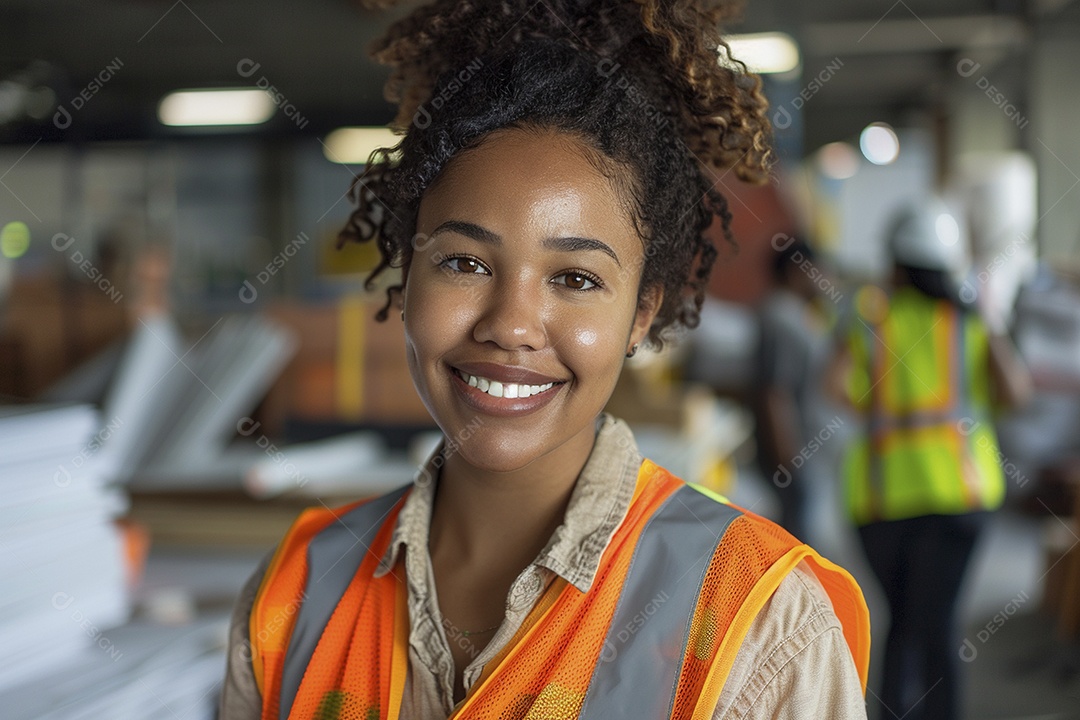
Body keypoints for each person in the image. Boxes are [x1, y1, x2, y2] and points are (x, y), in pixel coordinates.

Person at [219, 1, 870, 718]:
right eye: (465, 263)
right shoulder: (294, 592)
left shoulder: (761, 623)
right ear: (408, 275)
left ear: (642, 313)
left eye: (575, 279)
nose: (511, 326)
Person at [826, 200, 1032, 720]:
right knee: (936, 626)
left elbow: (834, 389)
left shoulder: (871, 319)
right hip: (960, 498)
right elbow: (1018, 393)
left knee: (903, 623)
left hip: (881, 500)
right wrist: (991, 321)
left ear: (895, 263)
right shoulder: (968, 323)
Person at [753, 238, 834, 543]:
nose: (826, 280)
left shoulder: (800, 314)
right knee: (794, 537)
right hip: (795, 453)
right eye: (819, 271)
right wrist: (788, 458)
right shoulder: (780, 317)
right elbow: (775, 391)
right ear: (797, 272)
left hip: (807, 452)